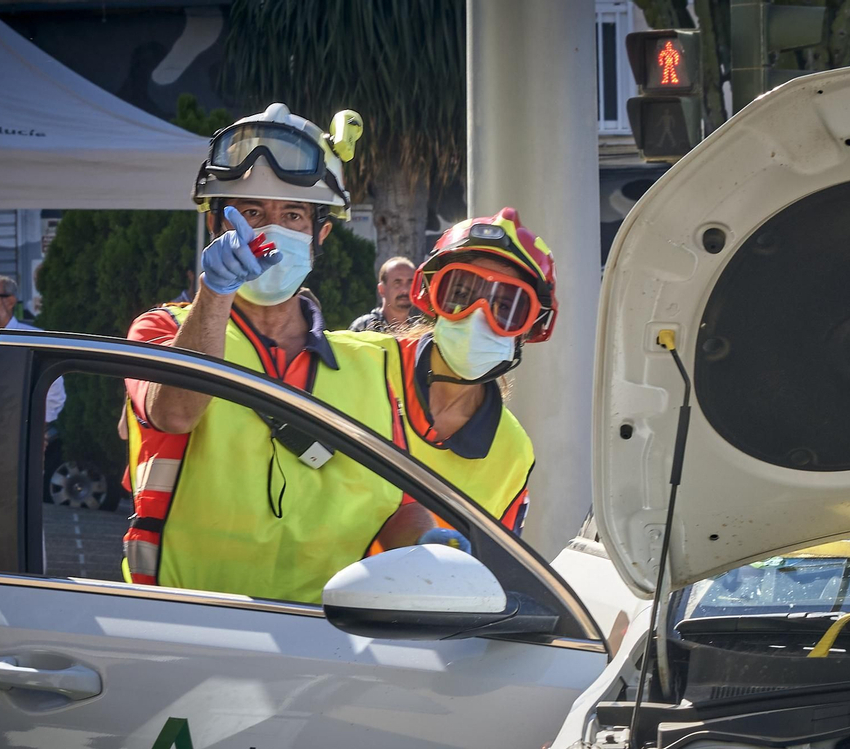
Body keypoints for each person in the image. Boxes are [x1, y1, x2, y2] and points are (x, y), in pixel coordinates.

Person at [122, 103, 442, 605]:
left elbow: (396, 506)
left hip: (324, 637)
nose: (270, 231)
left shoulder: (375, 364)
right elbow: (174, 413)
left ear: (322, 234)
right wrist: (216, 293)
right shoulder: (163, 329)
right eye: (251, 213)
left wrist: (429, 547)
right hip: (182, 625)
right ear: (216, 228)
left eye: (292, 215)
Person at [383, 208, 557, 535]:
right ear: (431, 296)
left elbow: (496, 571)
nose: (477, 316)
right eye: (460, 294)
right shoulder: (358, 362)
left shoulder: (511, 452)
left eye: (505, 308)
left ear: (528, 329)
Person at [0, 275, 66, 523]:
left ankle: (27, 565)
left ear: (10, 301)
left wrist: (37, 431)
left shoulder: (34, 339)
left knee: (20, 525)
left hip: (17, 443)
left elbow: (55, 394)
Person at [349, 256, 418, 333]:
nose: (405, 290)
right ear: (382, 289)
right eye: (397, 283)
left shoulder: (419, 333)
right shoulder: (364, 327)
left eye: (410, 283)